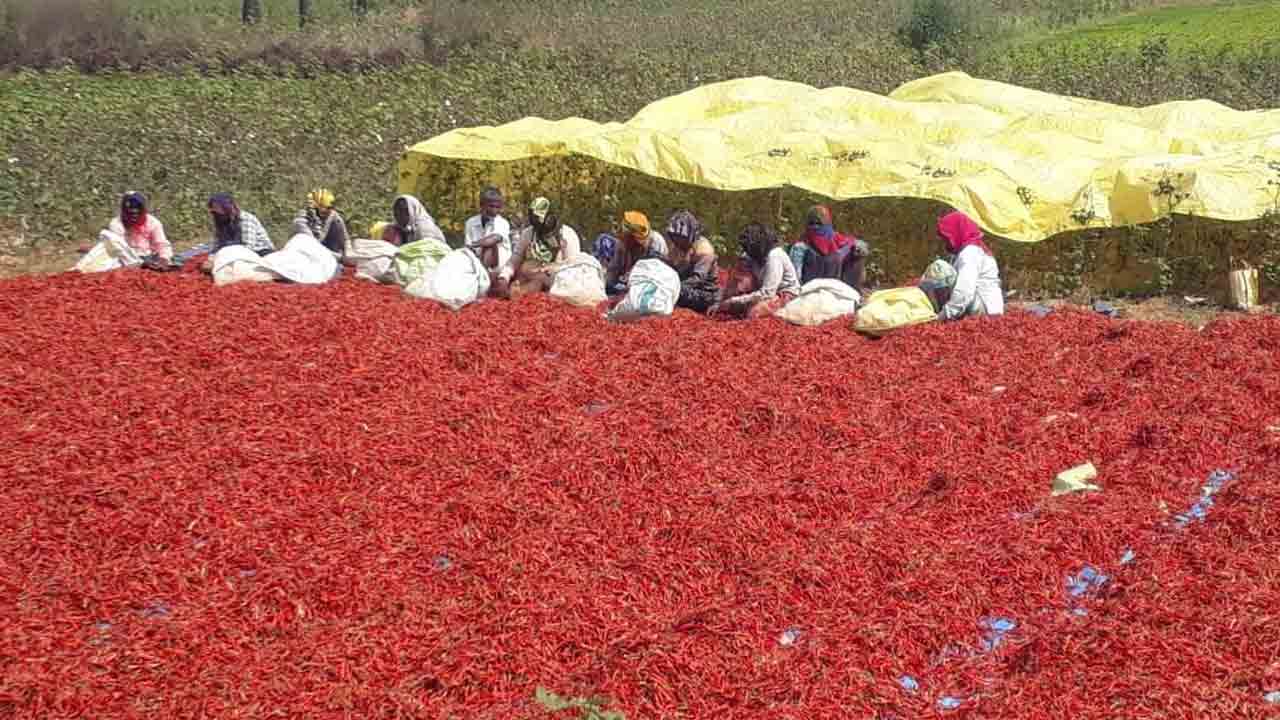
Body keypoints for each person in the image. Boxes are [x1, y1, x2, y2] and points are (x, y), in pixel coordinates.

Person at [495, 197, 582, 299]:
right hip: (527, 278)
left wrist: (545, 272)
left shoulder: (567, 235)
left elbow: (572, 267)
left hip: (557, 282)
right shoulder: (528, 233)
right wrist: (504, 277)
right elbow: (515, 259)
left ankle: (524, 291)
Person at [710, 223, 800, 319]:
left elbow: (768, 293)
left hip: (783, 294)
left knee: (753, 313)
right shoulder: (751, 256)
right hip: (762, 290)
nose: (746, 251)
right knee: (735, 304)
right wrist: (720, 302)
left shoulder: (774, 256)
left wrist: (733, 301)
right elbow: (734, 280)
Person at [74, 191, 173, 273]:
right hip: (123, 259)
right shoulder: (117, 223)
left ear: (143, 210)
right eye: (130, 210)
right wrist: (139, 262)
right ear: (124, 211)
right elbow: (119, 249)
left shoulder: (153, 222)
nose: (134, 213)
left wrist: (163, 259)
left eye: (138, 209)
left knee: (176, 260)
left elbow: (162, 244)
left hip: (148, 257)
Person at [935, 211, 1004, 320]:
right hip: (990, 307)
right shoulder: (972, 249)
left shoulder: (970, 253)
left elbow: (964, 290)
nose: (946, 241)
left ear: (957, 232)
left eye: (947, 237)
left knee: (939, 268)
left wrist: (944, 315)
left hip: (984, 309)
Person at [788, 205, 870, 290]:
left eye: (819, 223)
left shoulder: (842, 242)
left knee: (857, 254)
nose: (815, 227)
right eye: (812, 223)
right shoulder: (800, 247)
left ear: (827, 224)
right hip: (809, 289)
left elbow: (859, 245)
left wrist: (859, 248)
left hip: (838, 290)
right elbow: (795, 278)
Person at [662, 210, 720, 313]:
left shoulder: (704, 250)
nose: (677, 240)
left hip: (704, 293)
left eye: (680, 237)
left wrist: (674, 286)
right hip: (684, 287)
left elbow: (697, 279)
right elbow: (669, 267)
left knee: (675, 292)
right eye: (675, 237)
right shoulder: (676, 249)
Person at [202, 193, 274, 273]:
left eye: (220, 211)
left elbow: (249, 247)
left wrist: (224, 260)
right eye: (214, 212)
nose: (217, 214)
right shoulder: (221, 221)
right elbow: (217, 244)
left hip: (260, 252)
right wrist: (211, 260)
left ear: (228, 208)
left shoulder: (246, 219)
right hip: (236, 252)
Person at [605, 211, 668, 296]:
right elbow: (613, 270)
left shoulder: (656, 242)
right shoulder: (622, 245)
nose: (624, 239)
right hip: (625, 286)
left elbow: (657, 273)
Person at [463, 186, 512, 277]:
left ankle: (483, 276)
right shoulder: (470, 223)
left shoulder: (502, 223)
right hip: (477, 263)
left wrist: (474, 244)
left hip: (498, 267)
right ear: (481, 205)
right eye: (491, 206)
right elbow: (468, 249)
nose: (494, 211)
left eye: (497, 207)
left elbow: (494, 239)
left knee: (489, 246)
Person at [291, 187, 350, 262]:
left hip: (327, 252)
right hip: (305, 256)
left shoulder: (332, 215)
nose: (329, 212)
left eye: (330, 208)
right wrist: (340, 258)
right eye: (325, 210)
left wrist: (348, 254)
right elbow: (314, 248)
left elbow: (345, 239)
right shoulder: (301, 223)